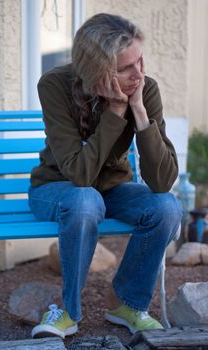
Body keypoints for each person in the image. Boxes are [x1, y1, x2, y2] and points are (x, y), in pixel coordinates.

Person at [29, 13, 183, 339]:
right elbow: (80, 175)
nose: (138, 74)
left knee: (167, 207)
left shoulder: (145, 89)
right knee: (85, 200)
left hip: (112, 189)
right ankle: (68, 311)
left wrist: (139, 113)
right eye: (125, 67)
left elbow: (162, 182)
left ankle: (126, 302)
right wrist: (114, 112)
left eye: (140, 61)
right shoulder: (54, 86)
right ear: (96, 70)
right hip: (58, 188)